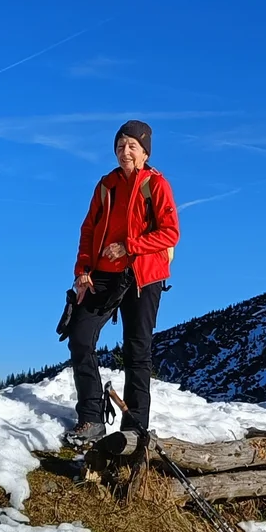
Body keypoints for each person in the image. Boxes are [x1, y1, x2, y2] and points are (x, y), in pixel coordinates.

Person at [65, 121, 180, 444]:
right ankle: (91, 418)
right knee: (80, 336)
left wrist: (130, 246)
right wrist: (82, 270)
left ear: (145, 152)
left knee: (137, 350)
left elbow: (170, 233)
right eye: (120, 145)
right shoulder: (106, 186)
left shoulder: (155, 185)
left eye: (132, 146)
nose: (124, 151)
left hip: (144, 275)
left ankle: (133, 428)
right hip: (102, 274)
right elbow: (88, 231)